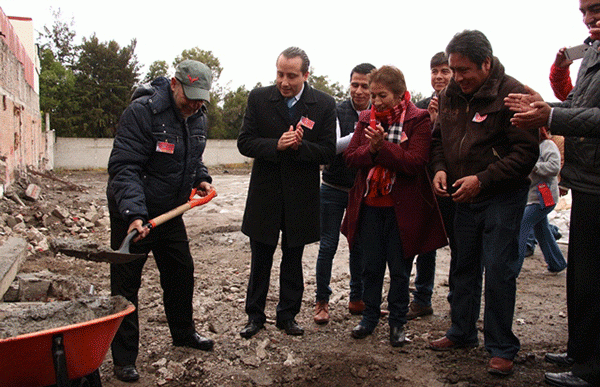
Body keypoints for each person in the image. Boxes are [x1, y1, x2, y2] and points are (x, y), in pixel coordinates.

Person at [428, 30, 539, 376]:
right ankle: (461, 332)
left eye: (464, 71)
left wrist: (483, 180)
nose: (456, 78)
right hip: (462, 195)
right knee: (463, 265)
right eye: (452, 70)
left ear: (486, 64)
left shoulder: (512, 95)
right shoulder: (450, 95)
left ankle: (502, 346)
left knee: (498, 269)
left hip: (501, 197)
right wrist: (441, 169)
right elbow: (437, 142)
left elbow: (525, 154)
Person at [504, 1, 600, 384]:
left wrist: (552, 116)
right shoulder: (591, 53)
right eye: (583, 11)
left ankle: (592, 369)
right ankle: (580, 352)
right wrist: (543, 106)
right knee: (581, 276)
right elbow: (577, 104)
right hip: (589, 178)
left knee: (594, 279)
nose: (589, 17)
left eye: (595, 7)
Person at [106, 60, 216, 382]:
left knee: (181, 273)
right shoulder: (142, 113)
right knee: (126, 287)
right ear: (173, 84)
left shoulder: (198, 118)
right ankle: (124, 358)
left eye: (201, 97)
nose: (195, 104)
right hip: (133, 216)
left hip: (170, 213)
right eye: (190, 96)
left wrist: (202, 178)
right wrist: (135, 215)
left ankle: (183, 334)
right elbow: (124, 167)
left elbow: (190, 158)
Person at [341, 65, 447, 347]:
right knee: (371, 267)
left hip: (403, 211)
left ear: (400, 95)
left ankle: (398, 323)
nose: (375, 102)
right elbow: (351, 157)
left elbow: (415, 162)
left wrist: (382, 149)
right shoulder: (366, 119)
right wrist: (373, 149)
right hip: (370, 207)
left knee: (400, 270)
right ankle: (370, 318)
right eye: (373, 96)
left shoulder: (419, 119)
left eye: (382, 96)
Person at [237, 47, 336, 339]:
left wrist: (300, 147)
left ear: (306, 75)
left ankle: (287, 316)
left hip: (300, 197)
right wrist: (275, 145)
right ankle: (255, 316)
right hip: (265, 195)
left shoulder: (323, 104)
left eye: (291, 76)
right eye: (280, 74)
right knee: (261, 259)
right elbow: (245, 142)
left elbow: (329, 151)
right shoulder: (258, 98)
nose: (284, 82)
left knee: (293, 260)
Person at [314, 63, 376, 325]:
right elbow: (331, 149)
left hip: (362, 191)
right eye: (355, 85)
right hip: (332, 188)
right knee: (327, 245)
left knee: (358, 246)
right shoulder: (335, 110)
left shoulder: (380, 112)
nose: (359, 91)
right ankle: (321, 301)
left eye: (365, 86)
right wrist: (362, 135)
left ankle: (357, 298)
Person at [407, 52, 455, 320]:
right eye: (435, 71)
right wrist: (431, 122)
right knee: (424, 243)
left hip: (455, 183)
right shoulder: (421, 107)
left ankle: (458, 301)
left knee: (459, 244)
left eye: (444, 71)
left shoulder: (463, 102)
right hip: (425, 184)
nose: (439, 76)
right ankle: (422, 298)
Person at [516, 127, 566, 276]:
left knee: (522, 226)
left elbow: (554, 167)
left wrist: (534, 166)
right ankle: (557, 263)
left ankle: (513, 267)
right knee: (541, 229)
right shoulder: (528, 146)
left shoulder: (548, 145)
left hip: (545, 193)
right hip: (533, 195)